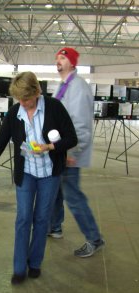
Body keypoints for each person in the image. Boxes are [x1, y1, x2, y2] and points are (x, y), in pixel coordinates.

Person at [0, 71, 77, 285]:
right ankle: (19, 267)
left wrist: (49, 147)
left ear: (37, 92)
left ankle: (35, 263)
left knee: (41, 219)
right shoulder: (15, 113)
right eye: (19, 99)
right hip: (27, 173)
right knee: (23, 219)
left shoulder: (54, 107)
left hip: (49, 173)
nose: (23, 103)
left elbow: (71, 138)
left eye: (27, 99)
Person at [48, 47, 105, 258]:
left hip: (70, 152)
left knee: (72, 195)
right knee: (55, 189)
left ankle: (94, 238)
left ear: (72, 62)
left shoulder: (78, 87)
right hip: (60, 149)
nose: (58, 61)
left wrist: (71, 150)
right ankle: (54, 226)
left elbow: (80, 124)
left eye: (62, 58)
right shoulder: (63, 86)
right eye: (57, 58)